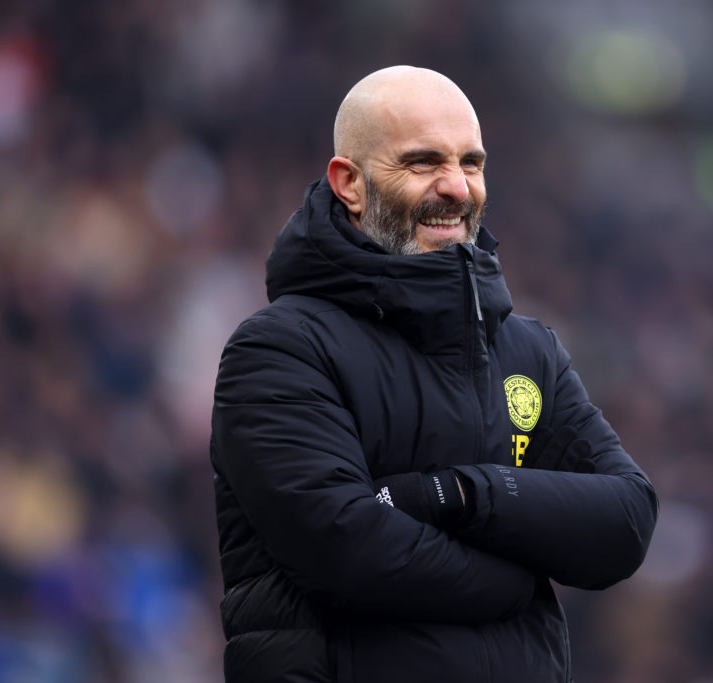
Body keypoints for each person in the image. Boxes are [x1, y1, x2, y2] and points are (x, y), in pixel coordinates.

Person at [210, 65, 658, 683]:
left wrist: (460, 495)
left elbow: (626, 520)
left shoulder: (528, 349)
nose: (456, 187)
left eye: (470, 163)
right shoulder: (282, 348)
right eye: (423, 162)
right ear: (349, 183)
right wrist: (521, 574)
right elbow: (350, 550)